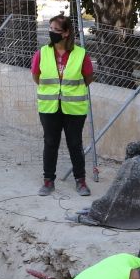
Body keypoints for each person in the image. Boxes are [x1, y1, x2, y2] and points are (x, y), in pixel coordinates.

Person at [34, 13, 93, 197]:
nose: (52, 33)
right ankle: (48, 181)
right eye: (50, 29)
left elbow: (88, 78)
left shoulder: (81, 54)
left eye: (56, 30)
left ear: (66, 33)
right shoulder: (42, 53)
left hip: (74, 108)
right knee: (50, 142)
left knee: (75, 143)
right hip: (49, 106)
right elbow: (36, 75)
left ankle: (80, 181)